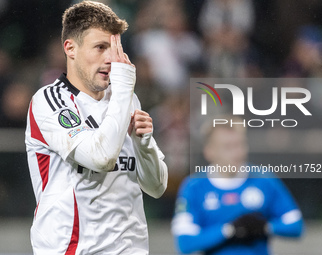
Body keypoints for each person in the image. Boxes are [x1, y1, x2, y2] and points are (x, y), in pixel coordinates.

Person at [25, 1, 168, 254]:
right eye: (100, 48)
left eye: (114, 49)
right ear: (70, 48)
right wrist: (124, 87)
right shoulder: (49, 101)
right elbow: (100, 158)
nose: (111, 59)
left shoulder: (125, 99)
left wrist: (143, 144)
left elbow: (156, 187)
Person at [171, 117, 303, 254]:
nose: (237, 153)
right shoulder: (194, 187)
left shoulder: (263, 179)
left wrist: (265, 227)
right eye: (228, 147)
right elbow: (185, 242)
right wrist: (229, 230)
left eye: (240, 145)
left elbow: (295, 225)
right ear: (209, 151)